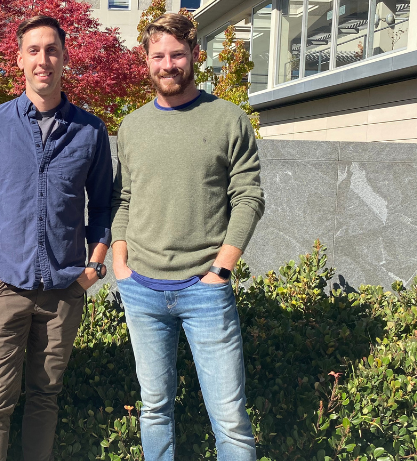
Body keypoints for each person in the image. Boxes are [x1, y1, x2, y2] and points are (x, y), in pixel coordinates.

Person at [0, 15, 114, 461]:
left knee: (46, 397)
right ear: (19, 59)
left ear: (65, 58)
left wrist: (93, 267)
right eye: (33, 50)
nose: (42, 59)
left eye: (51, 50)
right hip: (3, 285)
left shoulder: (91, 131)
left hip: (64, 289)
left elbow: (103, 205)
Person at [110, 13, 265, 461]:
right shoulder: (132, 126)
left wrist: (221, 270)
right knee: (155, 409)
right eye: (158, 55)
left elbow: (248, 198)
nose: (168, 63)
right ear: (146, 61)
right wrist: (120, 262)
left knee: (230, 418)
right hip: (142, 290)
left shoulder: (229, 119)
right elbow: (125, 199)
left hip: (205, 291)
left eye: (177, 54)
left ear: (196, 55)